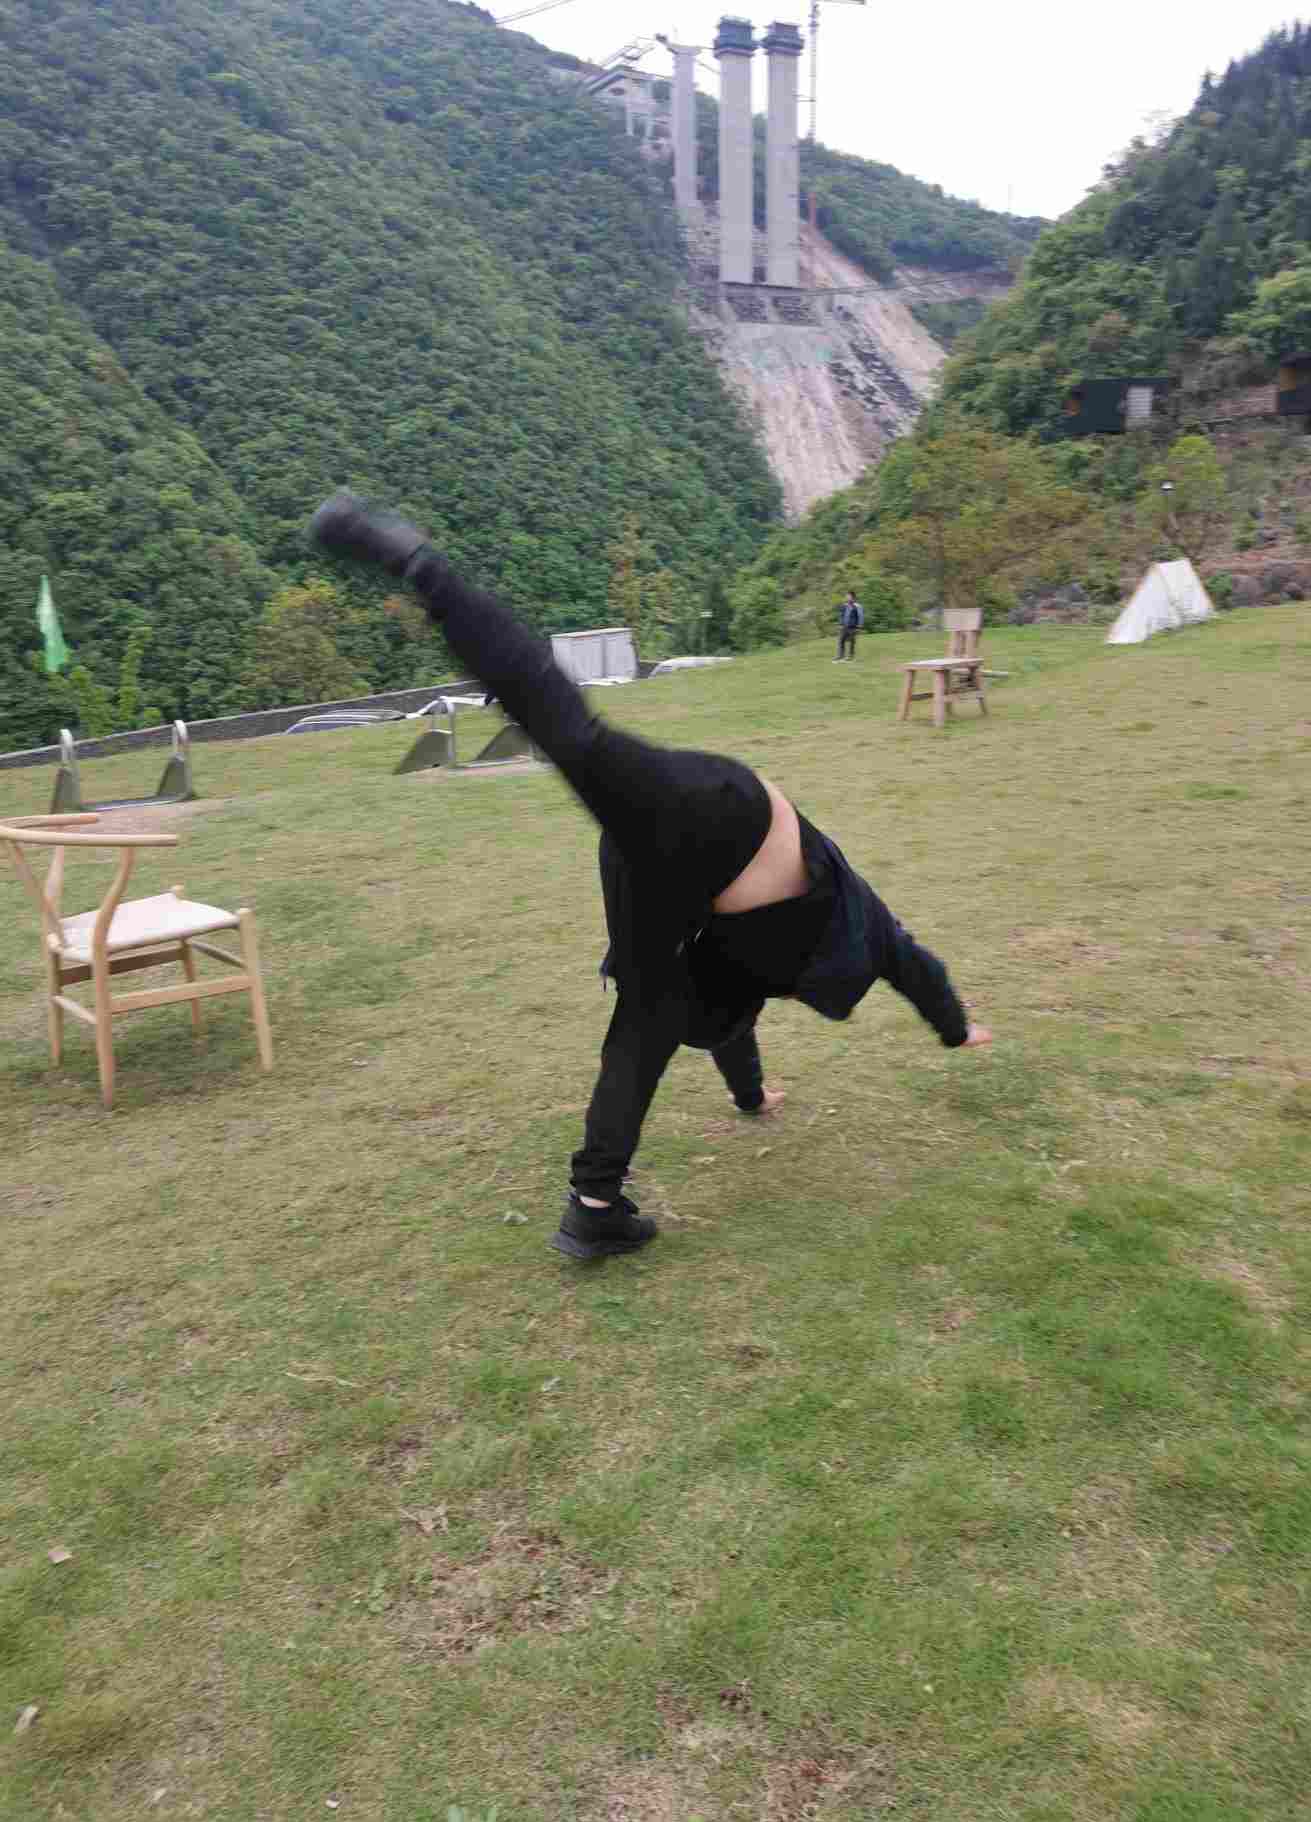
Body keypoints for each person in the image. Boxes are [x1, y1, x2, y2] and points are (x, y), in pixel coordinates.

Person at [309, 493, 990, 1261]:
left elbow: (736, 1015)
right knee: (568, 731)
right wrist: (957, 1027)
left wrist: (751, 1097)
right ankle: (421, 566)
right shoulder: (847, 915)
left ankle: (594, 1207)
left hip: (669, 867)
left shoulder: (732, 975)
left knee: (644, 1010)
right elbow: (903, 954)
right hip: (720, 817)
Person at [836, 590, 864, 661]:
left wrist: (859, 626)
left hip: (853, 627)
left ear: (853, 597)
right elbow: (841, 615)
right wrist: (840, 624)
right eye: (847, 596)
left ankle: (850, 656)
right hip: (844, 626)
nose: (847, 597)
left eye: (848, 596)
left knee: (852, 642)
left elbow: (860, 616)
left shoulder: (858, 606)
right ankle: (841, 656)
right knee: (841, 641)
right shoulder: (844, 605)